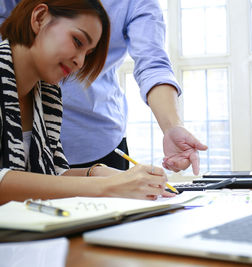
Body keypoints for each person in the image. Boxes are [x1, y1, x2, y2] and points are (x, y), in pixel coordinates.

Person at [1, 0, 208, 175]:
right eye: (77, 41)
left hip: (95, 142)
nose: (80, 64)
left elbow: (152, 64)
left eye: (89, 53)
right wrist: (104, 183)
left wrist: (172, 126)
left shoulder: (51, 98)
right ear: (39, 18)